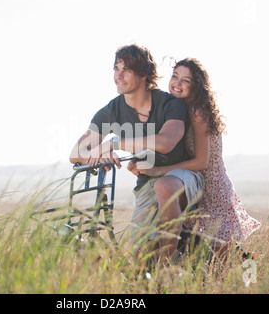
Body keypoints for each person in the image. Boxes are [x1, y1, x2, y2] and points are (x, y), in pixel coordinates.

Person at [69, 44, 204, 263]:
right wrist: (97, 155)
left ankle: (167, 269)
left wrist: (114, 143)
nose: (118, 75)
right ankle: (180, 267)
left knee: (165, 186)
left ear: (143, 75)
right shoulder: (111, 111)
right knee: (142, 259)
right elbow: (76, 152)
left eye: (127, 70)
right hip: (146, 183)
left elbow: (166, 142)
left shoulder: (170, 104)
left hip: (182, 177)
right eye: (116, 68)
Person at [129, 58, 261, 258]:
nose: (177, 83)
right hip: (191, 180)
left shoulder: (197, 111)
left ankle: (250, 274)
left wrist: (158, 171)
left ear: (196, 86)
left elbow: (202, 162)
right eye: (175, 76)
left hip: (211, 185)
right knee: (199, 242)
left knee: (222, 252)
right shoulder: (176, 110)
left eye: (185, 80)